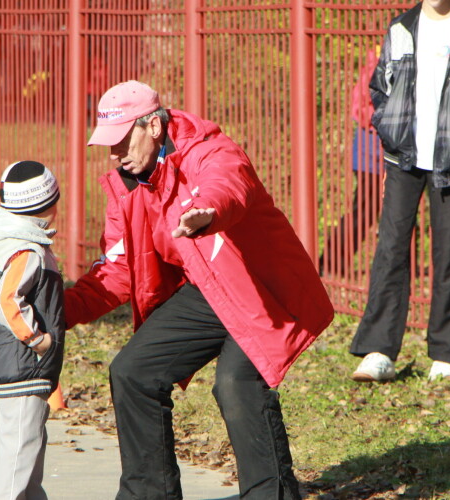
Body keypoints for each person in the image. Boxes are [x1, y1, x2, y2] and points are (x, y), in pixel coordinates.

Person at [63, 81, 334, 499]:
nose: (114, 154)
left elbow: (228, 186)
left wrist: (207, 215)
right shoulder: (127, 185)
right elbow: (117, 271)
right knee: (133, 371)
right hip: (208, 290)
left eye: (121, 141)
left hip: (262, 288)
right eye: (107, 144)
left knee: (236, 383)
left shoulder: (209, 148)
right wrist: (57, 312)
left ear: (152, 126)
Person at [349, 0, 450, 383]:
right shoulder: (400, 28)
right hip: (403, 157)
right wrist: (389, 127)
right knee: (391, 247)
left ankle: (444, 354)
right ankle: (379, 351)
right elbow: (379, 86)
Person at [0, 160, 65, 500]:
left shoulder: (11, 239)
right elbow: (8, 301)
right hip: (23, 364)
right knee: (19, 454)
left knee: (29, 451)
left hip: (23, 366)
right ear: (49, 205)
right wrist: (37, 340)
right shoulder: (27, 251)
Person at [320, 48, 384, 277]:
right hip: (372, 153)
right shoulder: (379, 65)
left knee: (369, 211)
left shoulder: (377, 62)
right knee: (364, 211)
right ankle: (330, 261)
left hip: (373, 151)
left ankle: (331, 261)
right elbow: (364, 111)